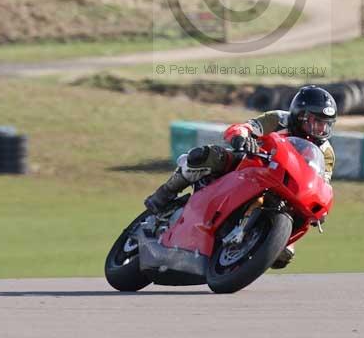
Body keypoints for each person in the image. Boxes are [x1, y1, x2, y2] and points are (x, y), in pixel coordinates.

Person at [144, 85, 337, 268]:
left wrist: (320, 210)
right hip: (253, 164)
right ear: (300, 116)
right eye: (316, 122)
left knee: (284, 253)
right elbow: (245, 127)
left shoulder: (326, 152)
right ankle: (165, 193)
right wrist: (241, 138)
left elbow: (322, 181)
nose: (320, 129)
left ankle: (245, 248)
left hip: (286, 188)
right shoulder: (278, 120)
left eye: (325, 124)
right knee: (204, 156)